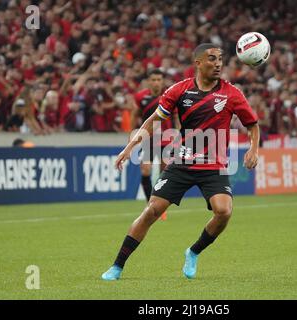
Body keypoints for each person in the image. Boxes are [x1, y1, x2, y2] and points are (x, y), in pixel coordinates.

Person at [101, 43, 260, 281]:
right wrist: (129, 147)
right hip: (183, 163)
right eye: (211, 59)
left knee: (224, 211)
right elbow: (153, 120)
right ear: (197, 63)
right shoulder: (179, 90)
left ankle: (193, 251)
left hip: (213, 166)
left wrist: (253, 148)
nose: (217, 64)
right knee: (151, 211)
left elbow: (252, 125)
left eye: (220, 59)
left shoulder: (232, 94)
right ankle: (117, 266)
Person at [130, 69, 174, 220]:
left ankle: (160, 205)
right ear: (148, 81)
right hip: (149, 139)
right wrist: (132, 135)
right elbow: (134, 115)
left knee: (164, 174)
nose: (156, 82)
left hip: (167, 140)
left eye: (159, 79)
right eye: (153, 80)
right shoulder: (140, 97)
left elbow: (177, 117)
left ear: (162, 81)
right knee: (145, 170)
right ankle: (150, 204)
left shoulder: (169, 95)